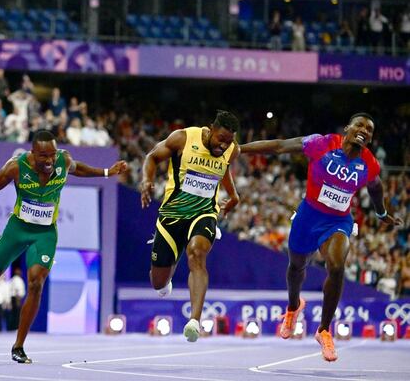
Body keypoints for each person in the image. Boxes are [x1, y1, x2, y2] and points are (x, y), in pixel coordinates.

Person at [0, 130, 127, 363]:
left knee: (36, 282)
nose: (50, 160)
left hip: (45, 233)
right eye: (43, 156)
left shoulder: (63, 160)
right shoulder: (16, 167)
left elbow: (78, 168)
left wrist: (106, 172)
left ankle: (19, 346)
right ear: (32, 153)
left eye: (52, 154)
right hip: (18, 229)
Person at [240, 113, 402, 361]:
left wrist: (382, 213)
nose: (364, 131)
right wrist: (240, 149)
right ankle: (294, 307)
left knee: (337, 265)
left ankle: (324, 330)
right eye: (360, 125)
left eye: (369, 129)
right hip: (308, 217)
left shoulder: (369, 163)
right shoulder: (322, 144)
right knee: (296, 267)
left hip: (337, 222)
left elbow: (376, 187)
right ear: (348, 128)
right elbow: (281, 146)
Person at [140, 110, 241, 343]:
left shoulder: (231, 149)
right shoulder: (184, 139)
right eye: (220, 139)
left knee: (197, 253)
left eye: (228, 142)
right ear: (211, 130)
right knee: (158, 283)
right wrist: (147, 180)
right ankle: (168, 272)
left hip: (204, 213)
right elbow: (152, 157)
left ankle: (194, 321)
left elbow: (222, 169)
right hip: (172, 215)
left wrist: (233, 195)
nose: (224, 146)